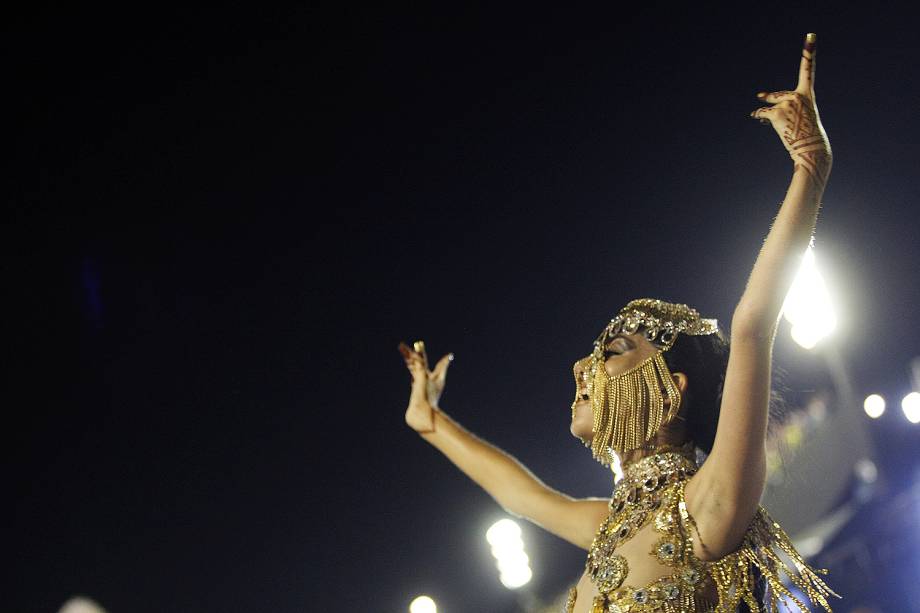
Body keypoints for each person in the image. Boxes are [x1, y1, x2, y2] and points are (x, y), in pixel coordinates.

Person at [398, 32, 838, 612]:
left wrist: (810, 169)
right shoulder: (608, 527)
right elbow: (520, 494)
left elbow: (752, 324)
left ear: (671, 389)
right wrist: (430, 421)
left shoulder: (706, 508)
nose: (583, 365)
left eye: (614, 350)